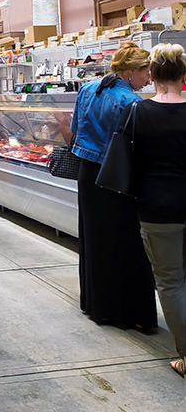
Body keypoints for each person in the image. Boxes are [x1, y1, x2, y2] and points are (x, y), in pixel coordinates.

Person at [71, 41, 157, 331]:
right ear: (131, 72)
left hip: (87, 172)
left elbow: (75, 131)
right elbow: (138, 146)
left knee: (94, 238)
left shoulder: (86, 90)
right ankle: (129, 313)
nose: (149, 78)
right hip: (117, 175)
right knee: (127, 242)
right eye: (146, 72)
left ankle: (97, 305)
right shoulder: (131, 102)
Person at [120, 43, 186, 375]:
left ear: (153, 75)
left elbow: (126, 160)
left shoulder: (138, 112)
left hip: (157, 208)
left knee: (171, 282)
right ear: (183, 75)